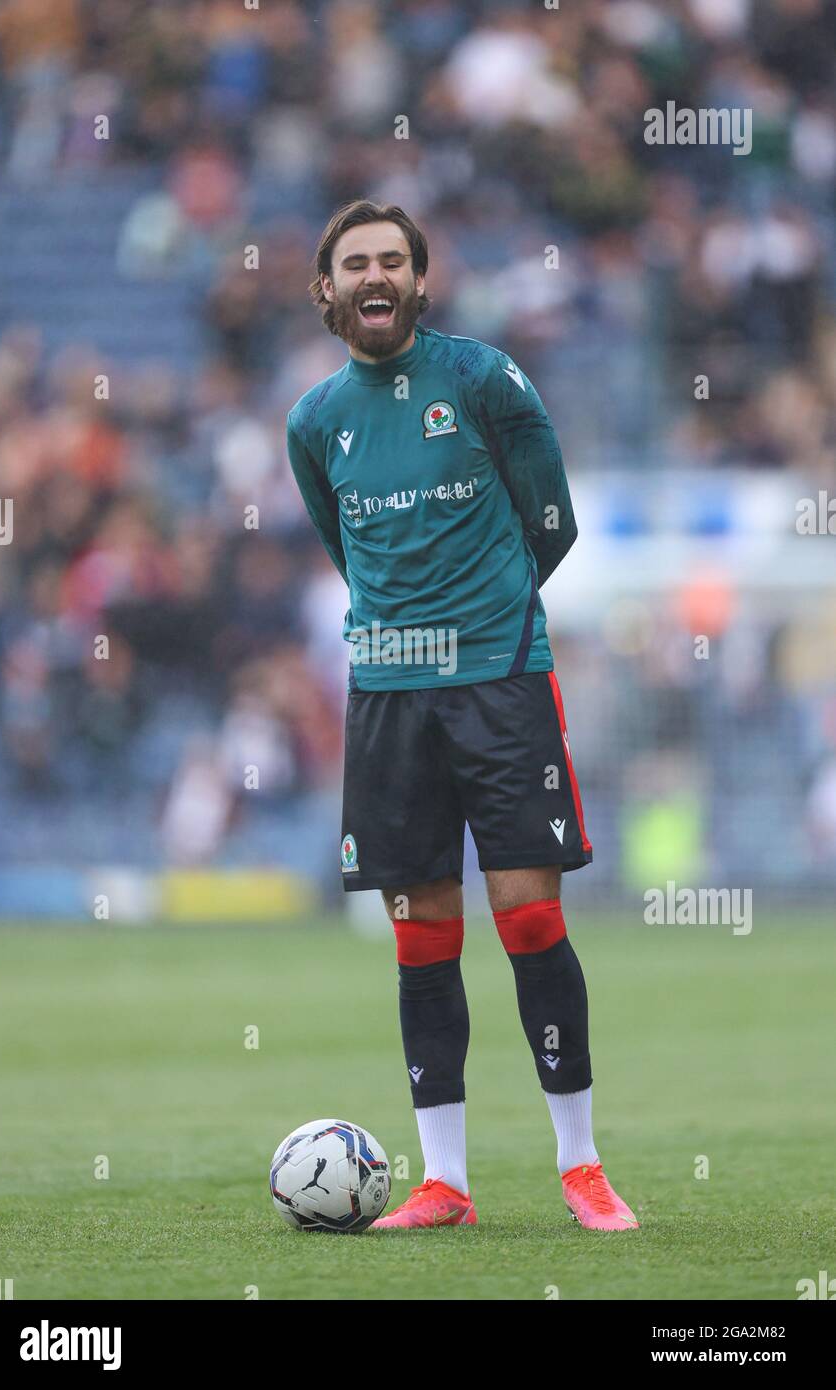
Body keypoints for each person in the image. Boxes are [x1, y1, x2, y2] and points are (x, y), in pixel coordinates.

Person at [286, 199, 638, 1232]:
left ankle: (579, 1166)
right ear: (327, 290)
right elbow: (343, 547)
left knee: (528, 914)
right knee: (419, 936)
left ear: (421, 280)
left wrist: (481, 619)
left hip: (499, 681)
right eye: (355, 263)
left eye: (392, 259)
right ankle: (444, 1183)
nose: (375, 275)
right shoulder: (314, 419)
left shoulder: (482, 378)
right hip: (387, 694)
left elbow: (551, 520)